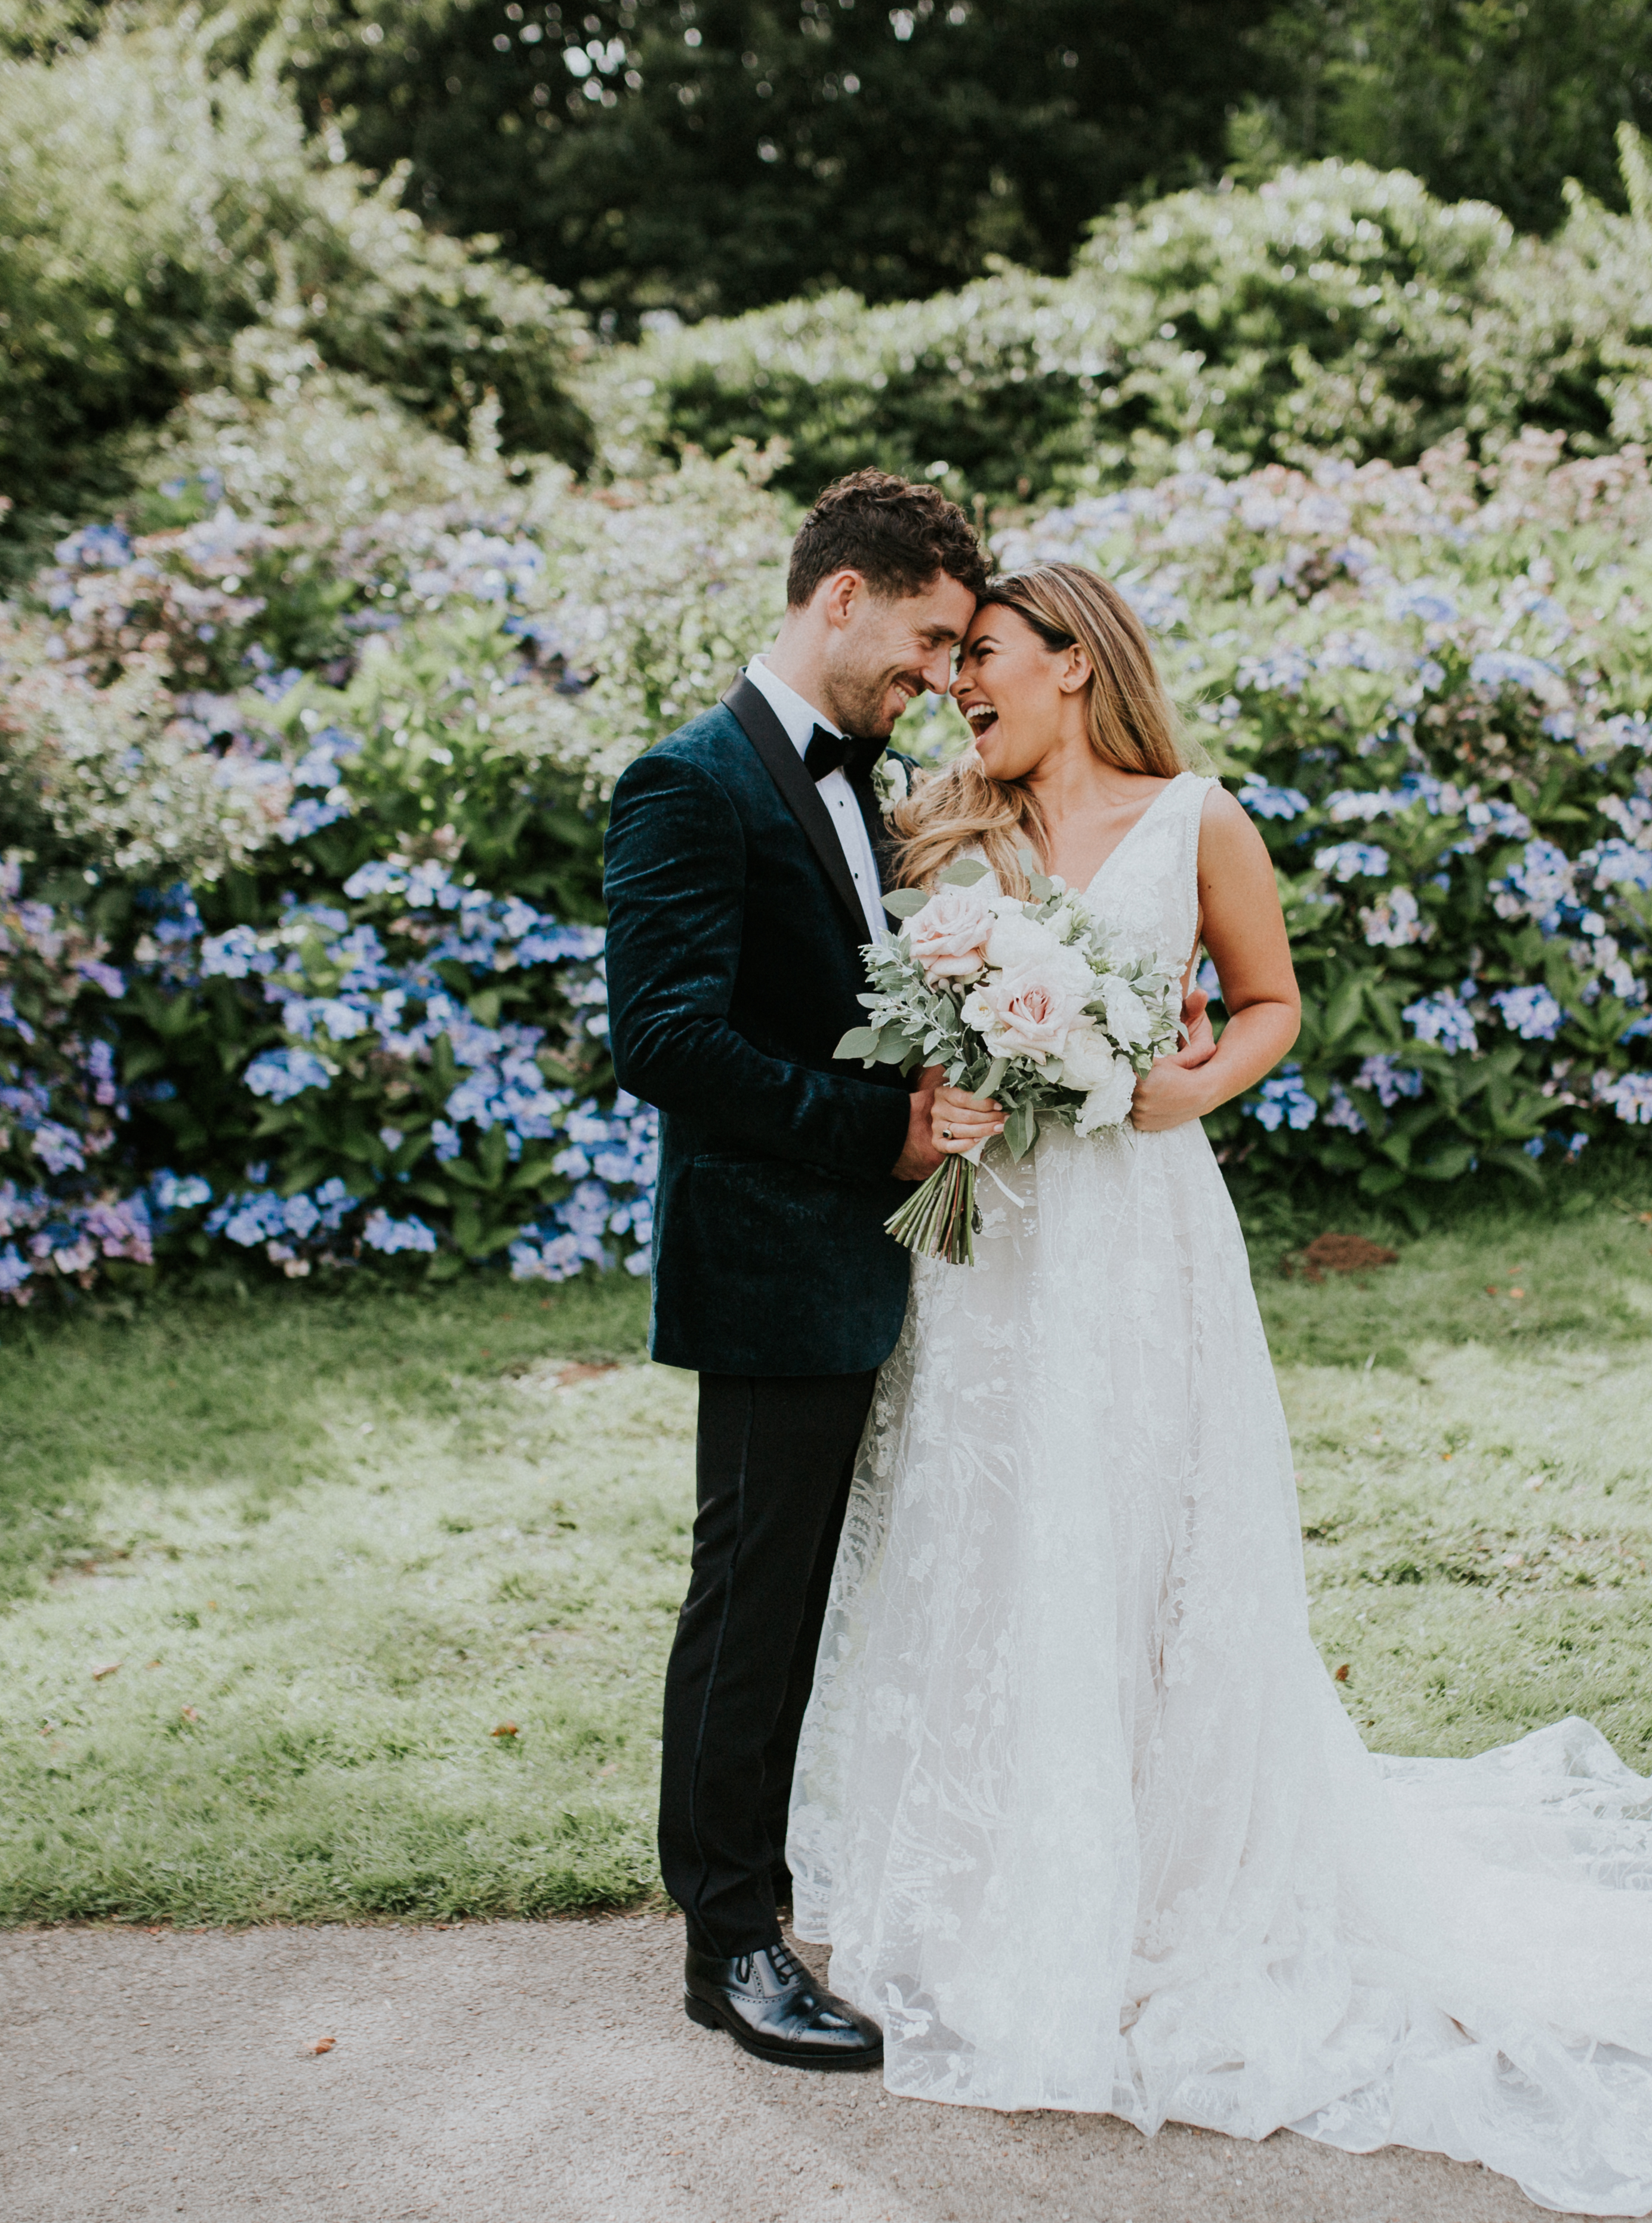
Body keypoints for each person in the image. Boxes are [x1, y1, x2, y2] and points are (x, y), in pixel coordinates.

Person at [782, 561, 1652, 2213]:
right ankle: (988, 1881)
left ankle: (1159, 1872)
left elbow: (1270, 1006)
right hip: (995, 1249)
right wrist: (952, 1082)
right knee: (986, 1540)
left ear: (1077, 663)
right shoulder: (945, 830)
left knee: (1144, 1533)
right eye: (954, 660)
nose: (963, 685)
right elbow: (903, 1023)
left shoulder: (1196, 819)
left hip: (1139, 1234)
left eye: (988, 657)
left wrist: (1182, 1088)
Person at [600, 469, 987, 2073]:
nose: (943, 672)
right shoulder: (688, 779)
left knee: (807, 1588)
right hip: (769, 1253)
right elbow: (665, 1039)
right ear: (840, 594)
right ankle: (730, 1939)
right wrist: (875, 1131)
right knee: (753, 1597)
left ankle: (777, 1891)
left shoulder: (862, 777)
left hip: (868, 1258)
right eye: (928, 635)